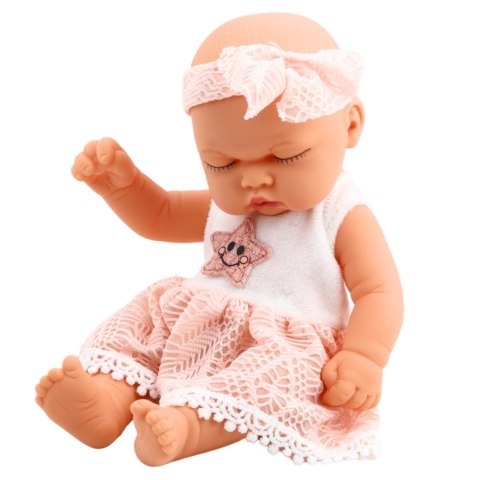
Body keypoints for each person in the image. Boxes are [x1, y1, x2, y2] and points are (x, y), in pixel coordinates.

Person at [35, 12, 403, 466]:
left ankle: (188, 427)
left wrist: (365, 355)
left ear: (350, 125)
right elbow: (162, 216)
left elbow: (378, 290)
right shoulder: (227, 205)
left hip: (283, 342)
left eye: (286, 156)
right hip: (199, 319)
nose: (251, 180)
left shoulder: (338, 212)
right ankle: (107, 399)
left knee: (272, 379)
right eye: (222, 164)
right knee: (148, 329)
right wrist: (124, 187)